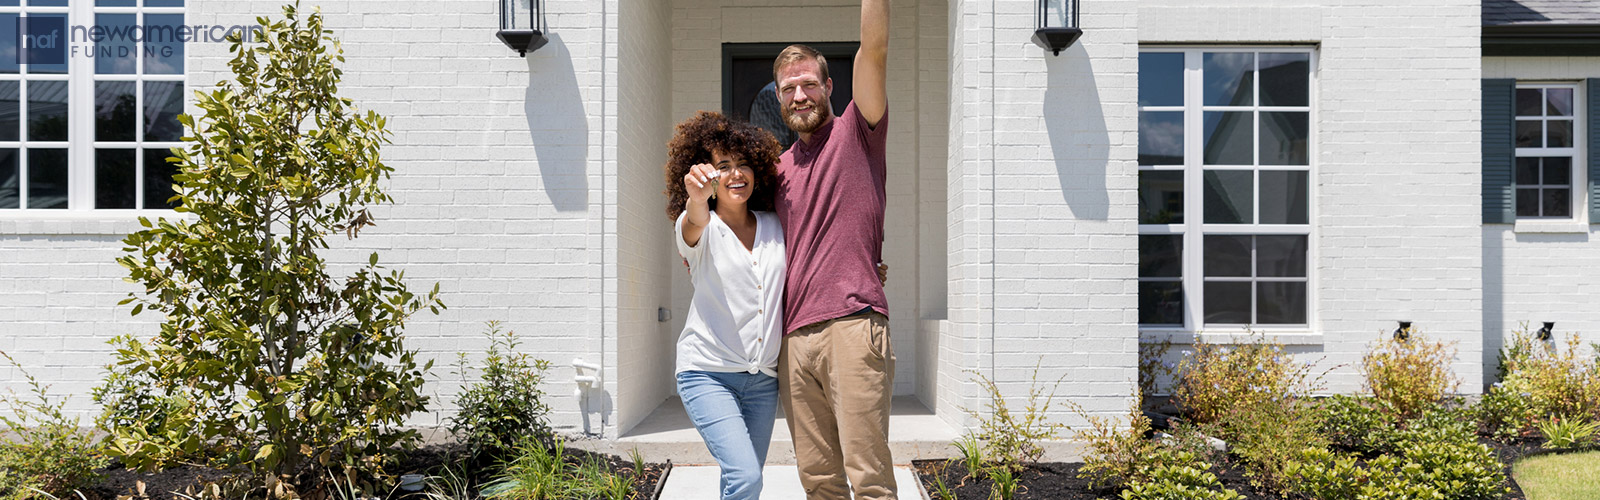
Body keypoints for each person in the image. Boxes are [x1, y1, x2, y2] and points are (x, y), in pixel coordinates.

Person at [770, 0, 895, 498]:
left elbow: (875, 48)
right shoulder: (777, 170)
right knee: (818, 480)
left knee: (868, 477)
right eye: (788, 89)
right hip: (794, 338)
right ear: (779, 99)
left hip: (852, 326)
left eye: (808, 84)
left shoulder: (856, 132)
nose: (800, 95)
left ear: (828, 88)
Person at [664, 111, 787, 500]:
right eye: (724, 166)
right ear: (708, 175)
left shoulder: (776, 226)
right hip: (708, 374)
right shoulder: (701, 226)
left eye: (744, 164)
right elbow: (693, 222)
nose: (736, 174)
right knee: (746, 477)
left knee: (741, 480)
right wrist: (696, 199)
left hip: (763, 380)